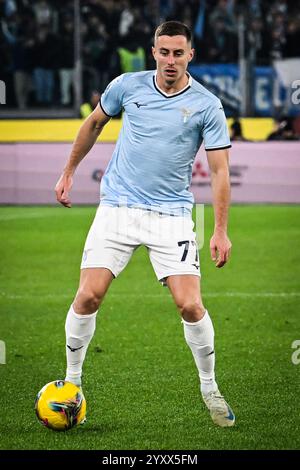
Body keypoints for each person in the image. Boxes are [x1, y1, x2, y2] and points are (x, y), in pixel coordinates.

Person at [55, 21, 235, 428]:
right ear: (153, 52)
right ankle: (72, 386)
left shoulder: (207, 105)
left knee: (190, 304)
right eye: (163, 52)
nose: (170, 60)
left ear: (191, 55)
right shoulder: (127, 86)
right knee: (87, 296)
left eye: (178, 53)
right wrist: (68, 172)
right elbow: (94, 124)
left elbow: (220, 171)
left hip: (171, 216)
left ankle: (210, 387)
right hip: (117, 208)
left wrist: (220, 230)